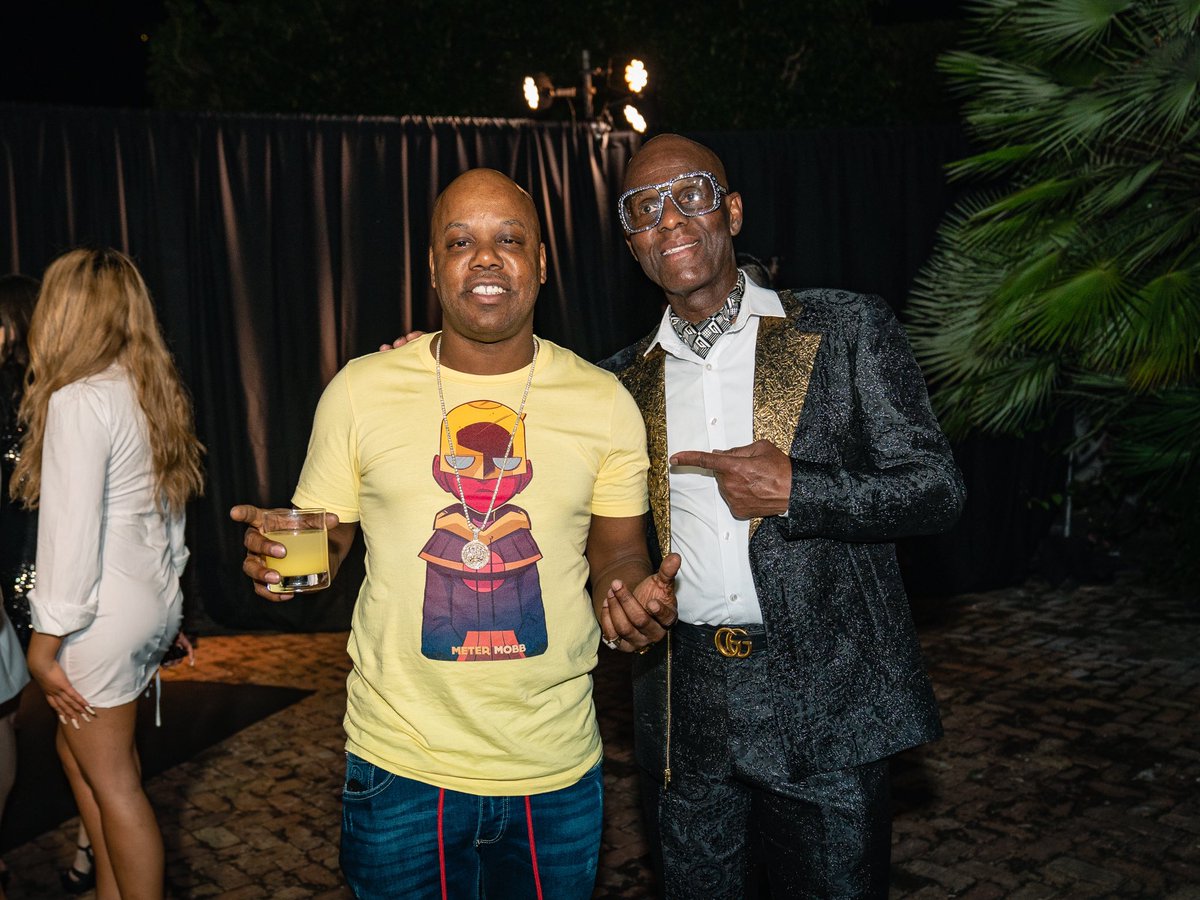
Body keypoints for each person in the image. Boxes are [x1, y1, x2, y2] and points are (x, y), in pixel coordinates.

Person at [232, 168, 679, 900]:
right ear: (434, 267)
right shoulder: (360, 391)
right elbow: (328, 539)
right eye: (460, 241)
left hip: (552, 768)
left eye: (510, 239)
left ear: (541, 263)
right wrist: (288, 558)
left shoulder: (603, 403)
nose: (486, 257)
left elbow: (619, 551)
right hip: (400, 763)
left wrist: (629, 597)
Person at [599, 135, 966, 898]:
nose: (671, 219)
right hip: (686, 701)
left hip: (825, 691)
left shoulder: (845, 328)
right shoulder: (615, 386)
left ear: (731, 212)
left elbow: (936, 488)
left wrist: (800, 489)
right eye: (645, 209)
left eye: (691, 194)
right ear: (633, 244)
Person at [15, 248, 204, 900]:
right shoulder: (150, 390)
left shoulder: (78, 399)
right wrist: (169, 607)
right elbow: (173, 517)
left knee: (115, 780)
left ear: (67, 312)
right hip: (146, 598)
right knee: (83, 758)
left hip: (98, 611)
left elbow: (69, 535)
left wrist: (44, 644)